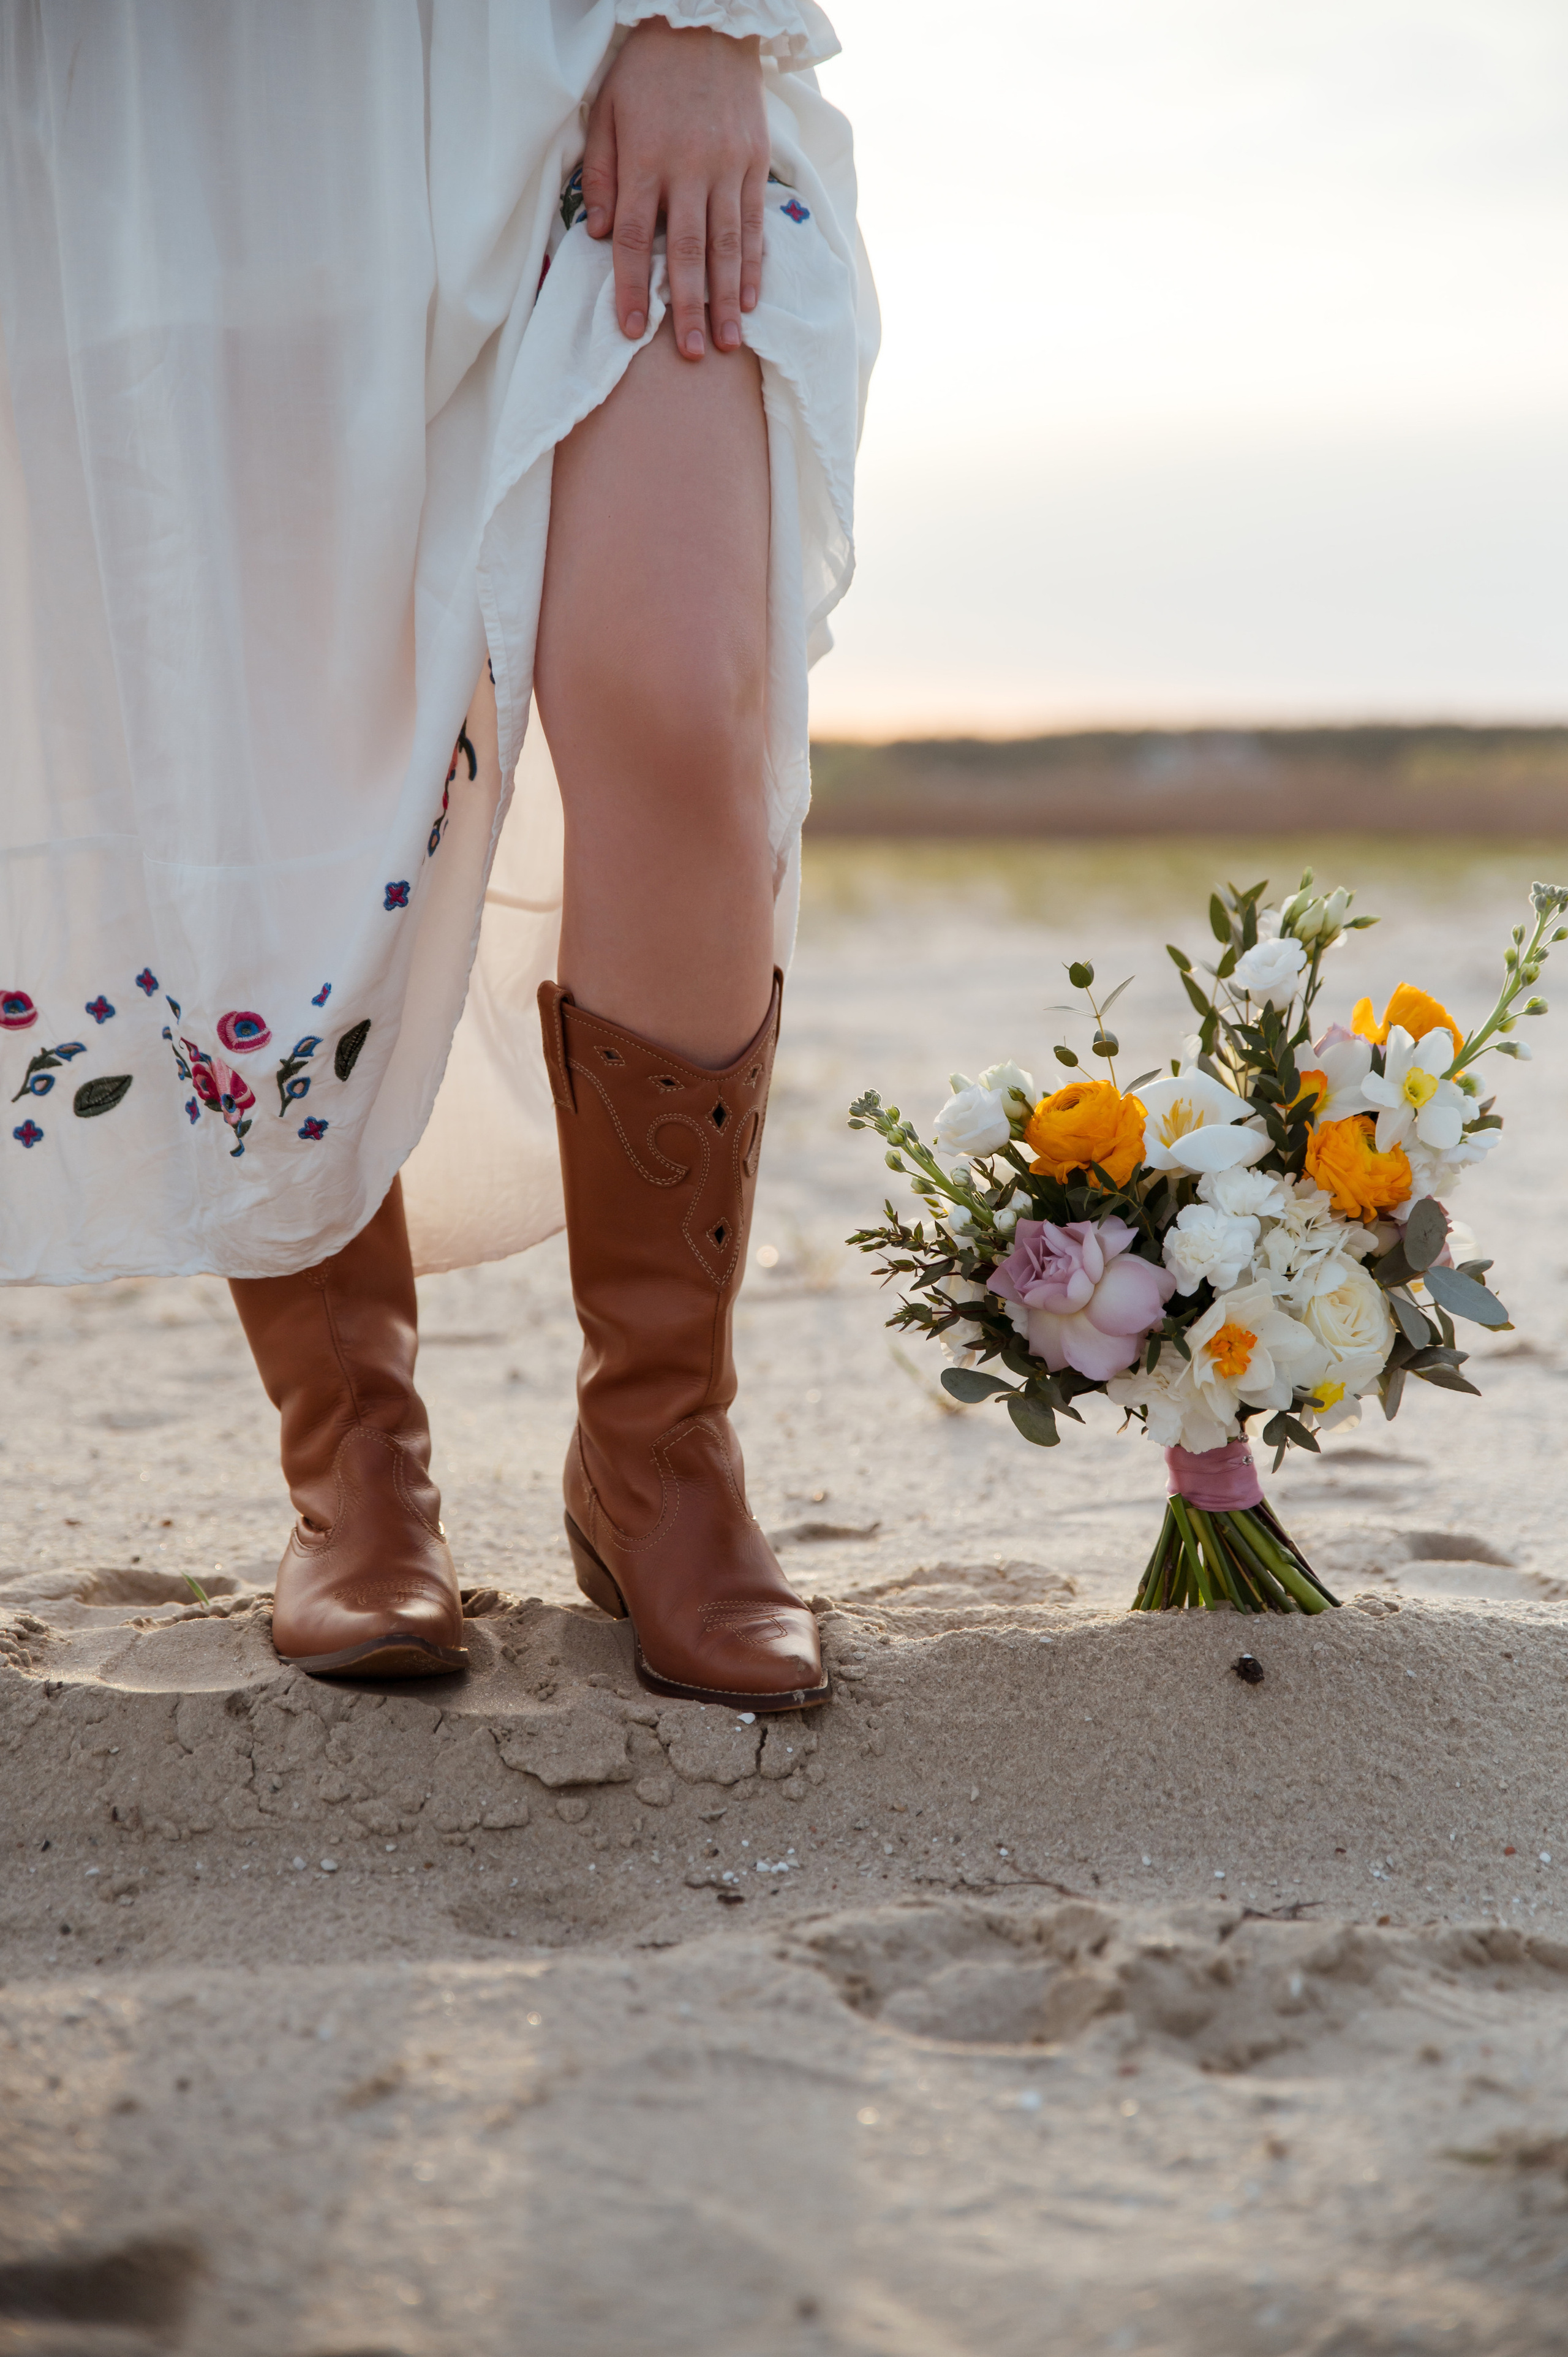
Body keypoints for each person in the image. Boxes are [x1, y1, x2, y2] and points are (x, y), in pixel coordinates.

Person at [0, 5, 875, 1709]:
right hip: (183, 132)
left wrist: (707, 19)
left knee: (683, 696)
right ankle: (355, 1460)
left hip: (557, 58)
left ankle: (662, 1451)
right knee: (251, 778)